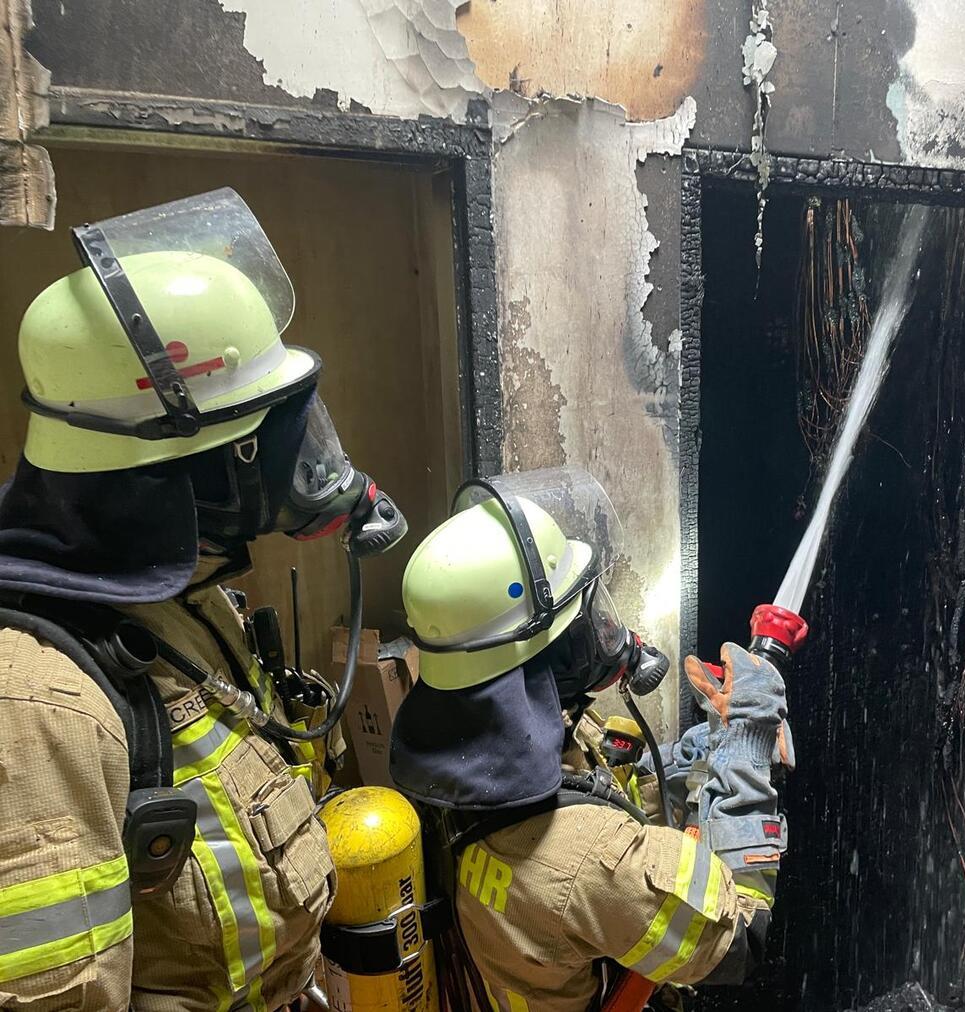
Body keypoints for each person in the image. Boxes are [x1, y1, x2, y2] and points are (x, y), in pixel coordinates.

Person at [0, 188, 406, 1011]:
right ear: (204, 468)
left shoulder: (184, 598)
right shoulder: (40, 708)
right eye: (283, 437)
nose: (316, 466)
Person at [390, 466, 789, 1011]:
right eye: (586, 618)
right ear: (542, 654)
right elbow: (743, 937)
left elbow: (592, 787)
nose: (606, 632)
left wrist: (697, 756)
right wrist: (746, 745)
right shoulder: (592, 865)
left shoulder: (464, 755)